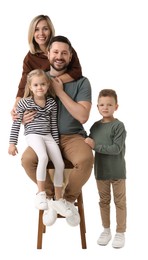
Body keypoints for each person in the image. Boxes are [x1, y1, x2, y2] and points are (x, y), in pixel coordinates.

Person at [21, 35, 94, 227]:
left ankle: (67, 201)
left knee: (86, 159)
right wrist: (22, 117)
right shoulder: (39, 79)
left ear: (70, 57)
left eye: (64, 53)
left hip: (72, 137)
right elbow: (24, 104)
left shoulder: (82, 82)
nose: (59, 56)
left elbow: (83, 116)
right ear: (48, 54)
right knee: (28, 160)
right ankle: (52, 199)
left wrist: (60, 92)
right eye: (55, 52)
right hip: (43, 136)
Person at [8, 69, 73, 218]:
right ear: (30, 87)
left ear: (47, 85)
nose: (40, 88)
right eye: (36, 85)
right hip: (33, 135)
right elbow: (16, 123)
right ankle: (41, 193)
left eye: (42, 84)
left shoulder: (51, 103)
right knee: (43, 157)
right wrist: (12, 143)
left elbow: (53, 126)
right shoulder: (24, 102)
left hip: (48, 135)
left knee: (60, 164)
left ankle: (59, 198)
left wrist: (56, 145)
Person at [11, 14, 82, 115]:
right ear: (32, 33)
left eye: (45, 29)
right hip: (44, 103)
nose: (41, 33)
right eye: (36, 29)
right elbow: (24, 82)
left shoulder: (63, 47)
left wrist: (52, 84)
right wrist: (16, 105)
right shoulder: (30, 58)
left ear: (51, 31)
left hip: (66, 98)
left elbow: (77, 71)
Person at [85, 89, 127, 248]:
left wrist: (95, 146)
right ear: (97, 107)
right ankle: (106, 230)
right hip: (100, 171)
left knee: (120, 202)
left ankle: (120, 232)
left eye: (109, 104)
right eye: (102, 104)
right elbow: (87, 143)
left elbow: (116, 148)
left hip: (117, 171)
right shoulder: (95, 127)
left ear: (116, 106)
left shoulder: (119, 126)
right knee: (103, 202)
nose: (105, 107)